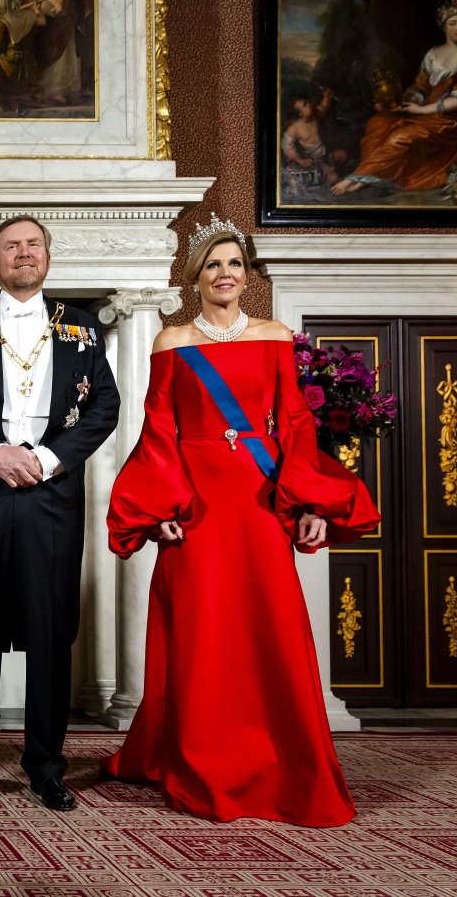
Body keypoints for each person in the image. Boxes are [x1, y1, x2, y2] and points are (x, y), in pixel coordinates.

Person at [101, 214, 381, 827]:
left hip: (257, 504)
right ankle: (205, 763)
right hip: (198, 507)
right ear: (195, 277)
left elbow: (297, 428)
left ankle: (278, 760)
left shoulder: (276, 334)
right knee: (204, 630)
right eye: (213, 264)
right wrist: (159, 511)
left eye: (234, 263)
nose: (225, 273)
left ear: (247, 275)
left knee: (265, 627)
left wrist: (307, 503)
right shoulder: (171, 343)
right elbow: (160, 433)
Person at [0, 214, 119, 813]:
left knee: (51, 633)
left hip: (50, 498)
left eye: (34, 245)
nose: (24, 254)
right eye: (12, 247)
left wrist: (50, 459)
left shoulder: (81, 326)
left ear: (48, 258)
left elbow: (104, 406)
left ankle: (46, 766)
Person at [332, 2, 457, 196]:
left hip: (451, 120)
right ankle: (372, 177)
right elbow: (420, 87)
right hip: (425, 111)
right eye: (453, 23)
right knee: (378, 123)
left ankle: (357, 177)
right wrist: (396, 104)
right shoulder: (433, 54)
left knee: (399, 137)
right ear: (444, 26)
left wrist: (421, 110)